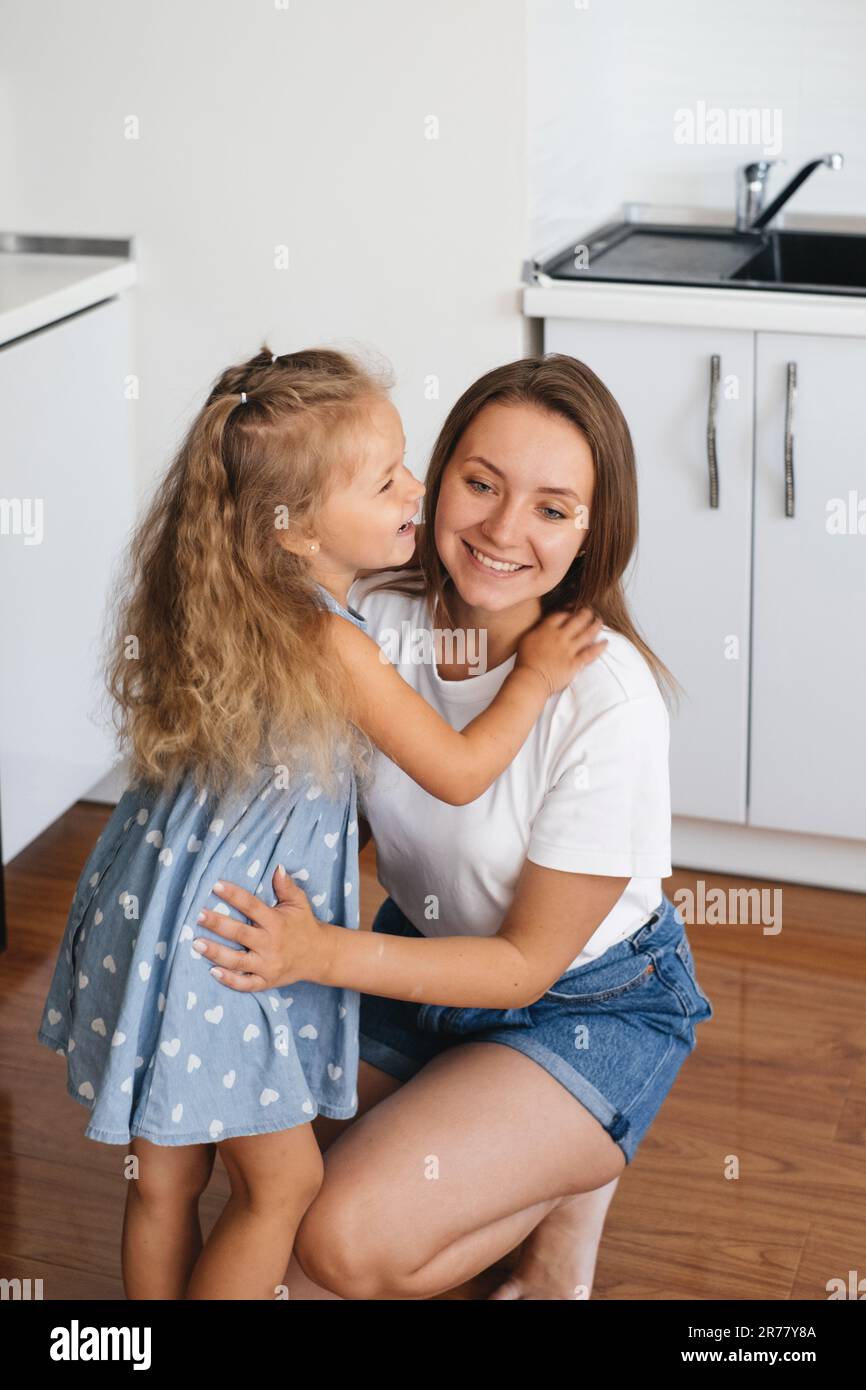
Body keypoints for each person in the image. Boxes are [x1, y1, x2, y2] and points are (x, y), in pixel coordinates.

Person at [35, 344, 605, 1301]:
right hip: (234, 940)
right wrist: (538, 677)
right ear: (293, 528)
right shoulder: (332, 641)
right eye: (386, 481)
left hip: (152, 914)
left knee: (166, 1179)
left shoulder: (220, 602)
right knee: (287, 1182)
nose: (414, 493)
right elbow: (460, 772)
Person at [198, 353, 714, 1301]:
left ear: (595, 532)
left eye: (552, 509)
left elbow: (524, 967)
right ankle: (527, 1155)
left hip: (584, 1001)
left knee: (342, 1243)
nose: (504, 530)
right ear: (438, 477)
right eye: (481, 484)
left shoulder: (609, 700)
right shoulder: (375, 621)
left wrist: (319, 956)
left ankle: (572, 1178)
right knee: (268, 1178)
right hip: (424, 955)